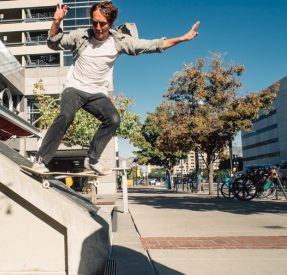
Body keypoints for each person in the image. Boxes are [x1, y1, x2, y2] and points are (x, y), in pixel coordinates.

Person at [33, 1, 200, 175]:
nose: (98, 28)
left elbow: (152, 45)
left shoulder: (119, 42)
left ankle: (92, 160)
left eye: (103, 24)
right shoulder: (80, 35)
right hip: (75, 87)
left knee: (113, 120)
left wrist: (182, 38)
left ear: (111, 23)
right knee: (66, 115)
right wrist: (56, 22)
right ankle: (40, 160)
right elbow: (53, 43)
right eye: (94, 22)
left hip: (97, 93)